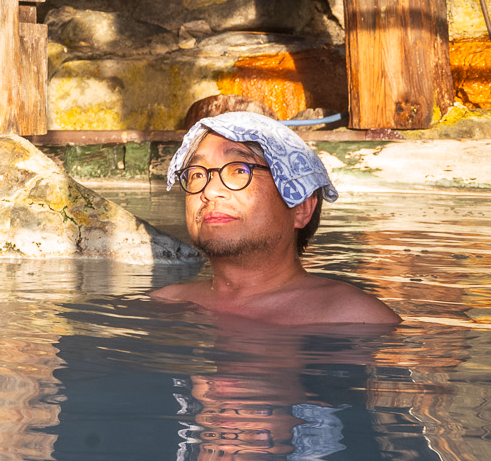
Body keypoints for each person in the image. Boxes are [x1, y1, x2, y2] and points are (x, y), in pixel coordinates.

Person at [151, 109, 400, 326]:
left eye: (240, 170)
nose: (210, 191)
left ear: (301, 209)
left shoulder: (355, 318)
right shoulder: (167, 303)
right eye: (196, 174)